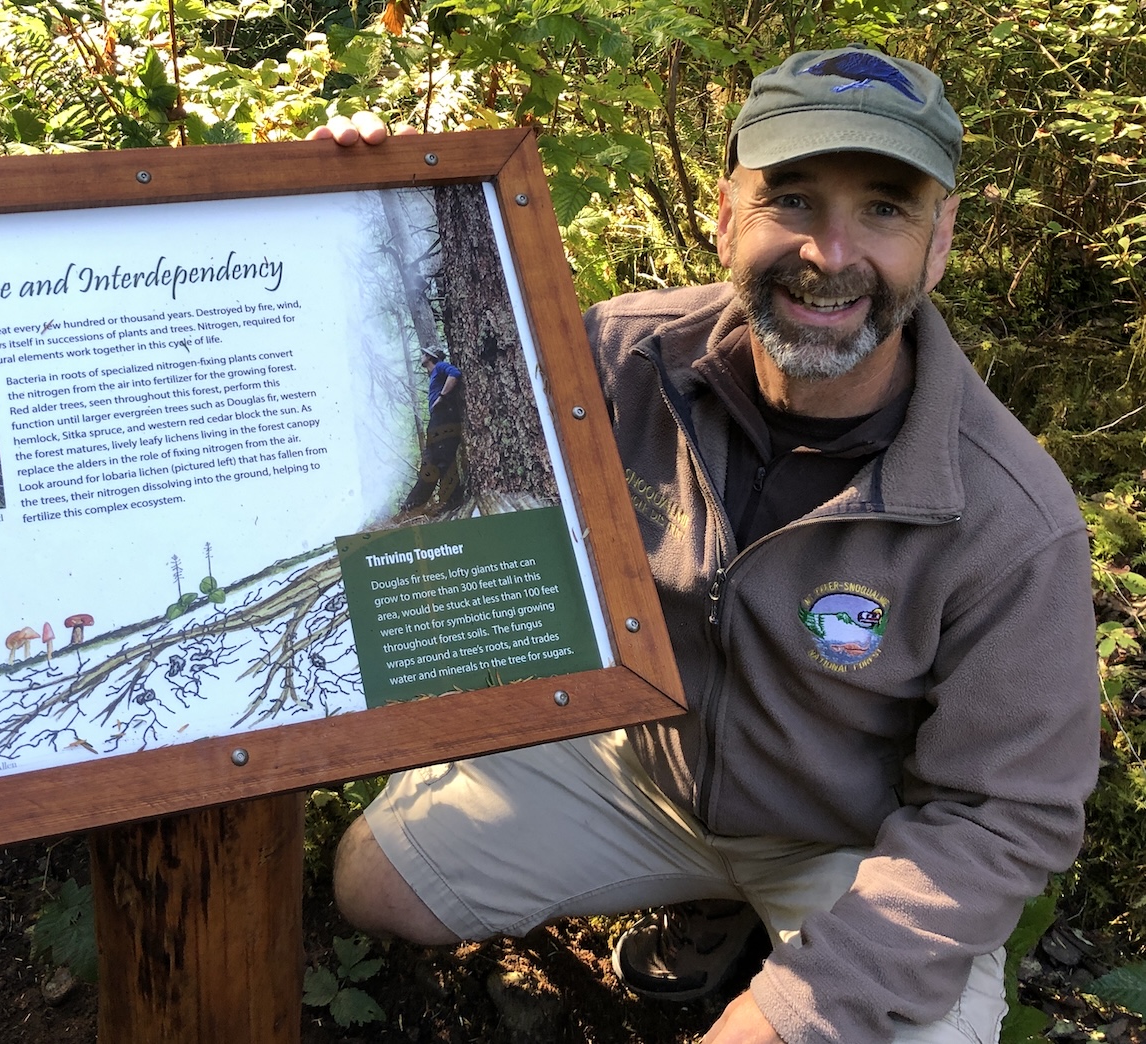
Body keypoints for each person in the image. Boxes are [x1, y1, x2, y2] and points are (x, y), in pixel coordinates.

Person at [314, 47, 1099, 1044]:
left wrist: (796, 1009)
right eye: (793, 199)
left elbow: (1004, 816)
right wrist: (350, 220)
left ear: (939, 241)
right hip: (638, 769)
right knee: (373, 885)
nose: (830, 252)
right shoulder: (622, 358)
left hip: (852, 848)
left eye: (884, 210)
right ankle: (708, 895)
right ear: (726, 214)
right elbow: (438, 459)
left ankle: (764, 928)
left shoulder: (1008, 516)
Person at [402, 345, 465, 513]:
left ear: (430, 357)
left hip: (444, 415)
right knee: (431, 459)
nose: (422, 356)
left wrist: (441, 397)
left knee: (443, 458)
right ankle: (413, 505)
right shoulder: (434, 374)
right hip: (437, 418)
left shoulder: (440, 366)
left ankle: (453, 500)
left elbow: (455, 374)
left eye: (424, 354)